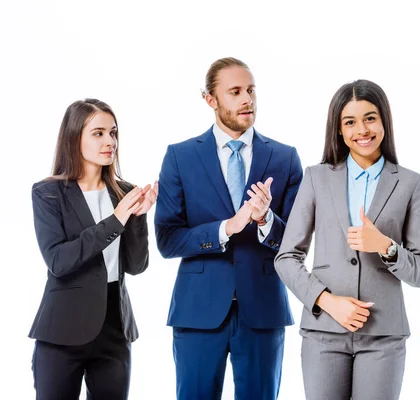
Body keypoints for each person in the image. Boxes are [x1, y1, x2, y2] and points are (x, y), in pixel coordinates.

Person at [154, 57, 303, 399]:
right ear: (210, 99)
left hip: (262, 312)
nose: (247, 99)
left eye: (250, 90)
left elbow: (297, 242)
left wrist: (266, 220)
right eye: (235, 92)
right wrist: (226, 228)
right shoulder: (180, 157)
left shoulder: (284, 157)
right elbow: (167, 239)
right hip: (198, 313)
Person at [275, 79, 420, 400]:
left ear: (384, 121)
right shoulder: (316, 178)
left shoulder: (411, 184)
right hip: (324, 334)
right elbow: (286, 257)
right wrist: (327, 302)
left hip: (383, 336)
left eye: (370, 118)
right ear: (339, 130)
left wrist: (385, 246)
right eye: (350, 121)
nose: (362, 129)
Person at [29, 98, 157, 399]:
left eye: (113, 133)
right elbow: (58, 261)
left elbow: (136, 266)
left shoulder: (124, 192)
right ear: (75, 137)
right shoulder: (48, 193)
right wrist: (116, 220)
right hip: (61, 331)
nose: (109, 141)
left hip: (115, 327)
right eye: (98, 133)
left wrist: (138, 219)